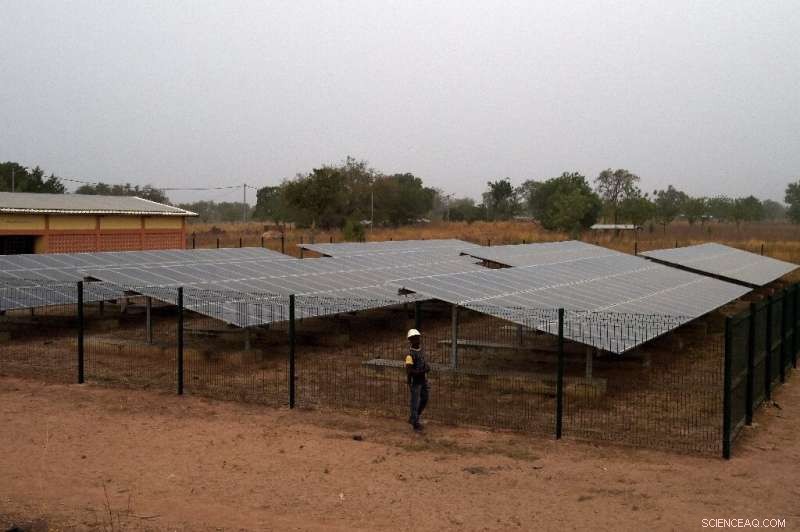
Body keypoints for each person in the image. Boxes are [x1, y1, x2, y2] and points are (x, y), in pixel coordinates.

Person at [405, 328, 430, 431]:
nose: (417, 340)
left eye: (418, 338)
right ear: (410, 340)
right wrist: (423, 371)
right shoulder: (410, 355)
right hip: (415, 381)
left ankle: (415, 417)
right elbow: (409, 371)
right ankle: (415, 423)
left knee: (424, 398)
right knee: (415, 403)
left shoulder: (420, 350)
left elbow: (423, 362)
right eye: (414, 338)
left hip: (423, 380)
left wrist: (427, 367)